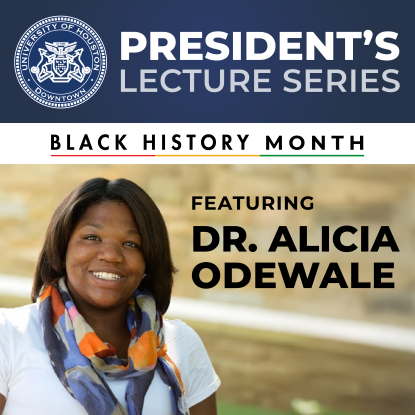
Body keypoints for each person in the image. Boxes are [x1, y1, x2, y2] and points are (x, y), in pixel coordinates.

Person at [0, 178, 220, 415]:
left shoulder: (182, 344)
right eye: (92, 237)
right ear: (63, 247)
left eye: (131, 243)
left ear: (149, 259)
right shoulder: (9, 334)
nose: (112, 255)